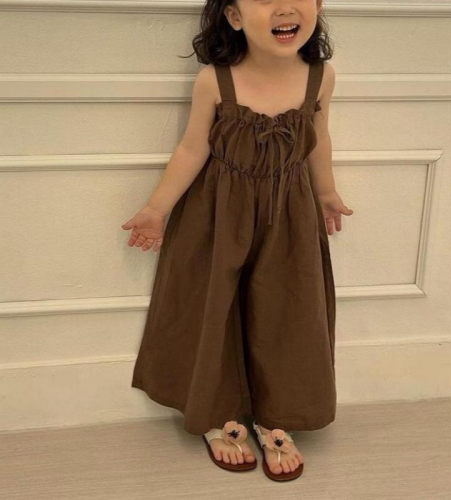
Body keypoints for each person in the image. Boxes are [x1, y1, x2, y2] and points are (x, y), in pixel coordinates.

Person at [121, 0, 353, 482]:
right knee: (214, 309)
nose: (285, 7)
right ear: (233, 16)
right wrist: (156, 209)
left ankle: (277, 414)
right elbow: (192, 148)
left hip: (290, 214)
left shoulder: (320, 77)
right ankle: (216, 411)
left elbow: (319, 137)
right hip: (218, 213)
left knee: (288, 311)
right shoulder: (215, 80)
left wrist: (327, 193)